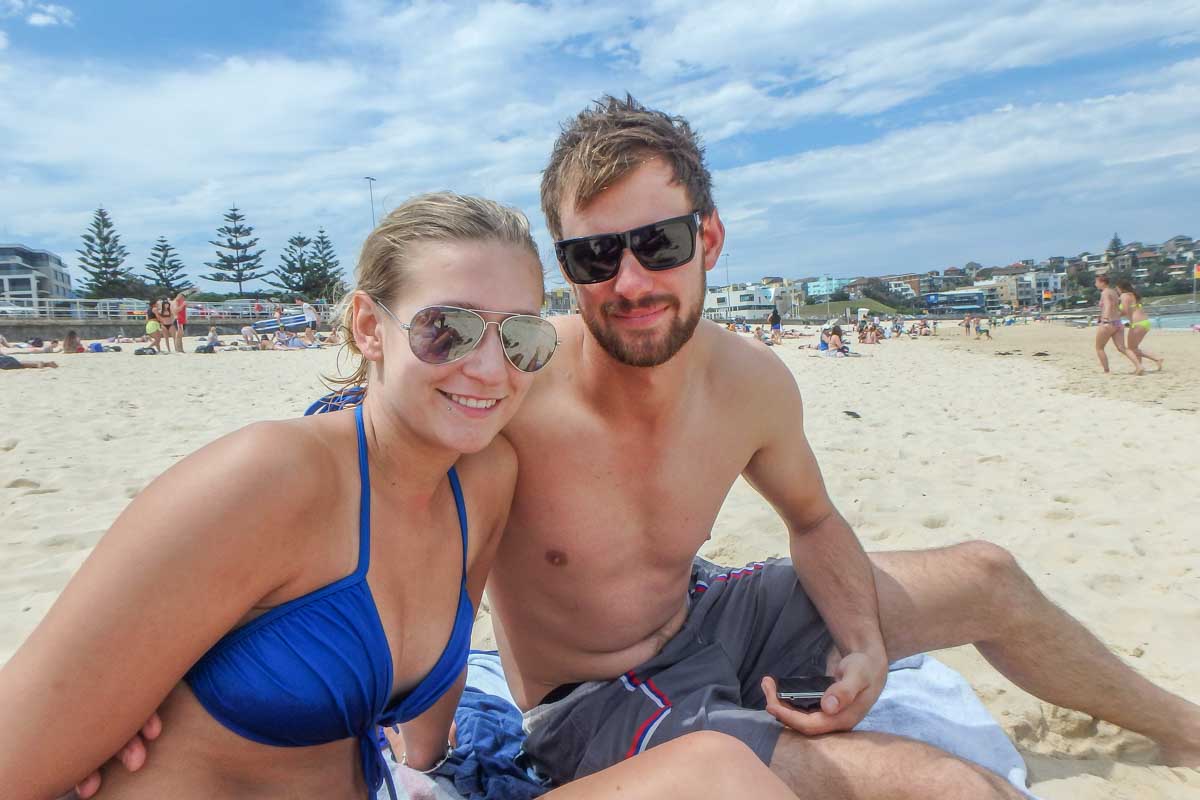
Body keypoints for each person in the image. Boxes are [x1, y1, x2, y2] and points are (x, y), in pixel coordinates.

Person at [89, 95, 1200, 799]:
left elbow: (813, 520)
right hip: (600, 695)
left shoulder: (754, 382)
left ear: (708, 238)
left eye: (659, 243)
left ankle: (1184, 727)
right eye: (593, 256)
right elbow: (359, 478)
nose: (628, 281)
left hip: (713, 612)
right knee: (932, 782)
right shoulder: (511, 383)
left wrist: (862, 640)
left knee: (991, 574)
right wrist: (169, 676)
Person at [2, 192, 791, 800]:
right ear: (369, 328)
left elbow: (434, 693)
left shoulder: (485, 482)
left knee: (716, 771)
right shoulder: (268, 479)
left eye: (520, 336)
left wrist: (426, 767)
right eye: (446, 328)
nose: (490, 369)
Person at [1093, 274, 1139, 374]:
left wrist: (1104, 319)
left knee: (1099, 348)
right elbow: (1116, 308)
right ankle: (1139, 366)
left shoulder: (1105, 292)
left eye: (1096, 282)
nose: (1095, 284)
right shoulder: (1114, 292)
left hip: (1109, 323)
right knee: (1122, 348)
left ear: (1102, 282)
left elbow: (1108, 305)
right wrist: (1102, 316)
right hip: (1118, 322)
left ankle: (1106, 370)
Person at [1116, 280, 1163, 374]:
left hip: (1137, 323)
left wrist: (1113, 316)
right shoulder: (1133, 295)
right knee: (1134, 347)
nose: (1116, 290)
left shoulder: (1124, 296)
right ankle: (1139, 367)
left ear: (1121, 288)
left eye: (1117, 288)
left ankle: (1156, 359)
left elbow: (1124, 311)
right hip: (1144, 322)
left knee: (1131, 349)